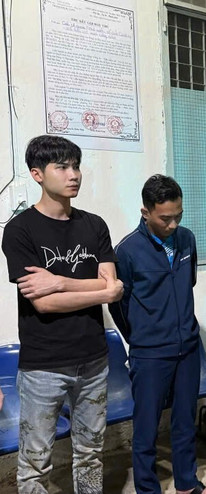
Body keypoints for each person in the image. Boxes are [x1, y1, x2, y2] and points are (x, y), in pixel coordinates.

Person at [1, 135, 123, 494]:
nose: (74, 175)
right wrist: (101, 292)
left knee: (91, 453)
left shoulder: (95, 224)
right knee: (35, 463)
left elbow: (112, 284)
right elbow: (44, 304)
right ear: (37, 174)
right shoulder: (19, 230)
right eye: (63, 167)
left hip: (94, 360)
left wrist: (58, 281)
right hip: (44, 366)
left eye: (76, 166)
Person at [109, 175, 206, 494]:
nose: (173, 224)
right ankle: (148, 489)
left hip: (188, 348)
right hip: (149, 353)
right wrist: (141, 337)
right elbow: (119, 304)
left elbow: (188, 284)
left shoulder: (187, 239)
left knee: (185, 421)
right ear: (145, 212)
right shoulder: (127, 251)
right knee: (146, 429)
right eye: (165, 218)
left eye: (178, 215)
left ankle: (186, 483)